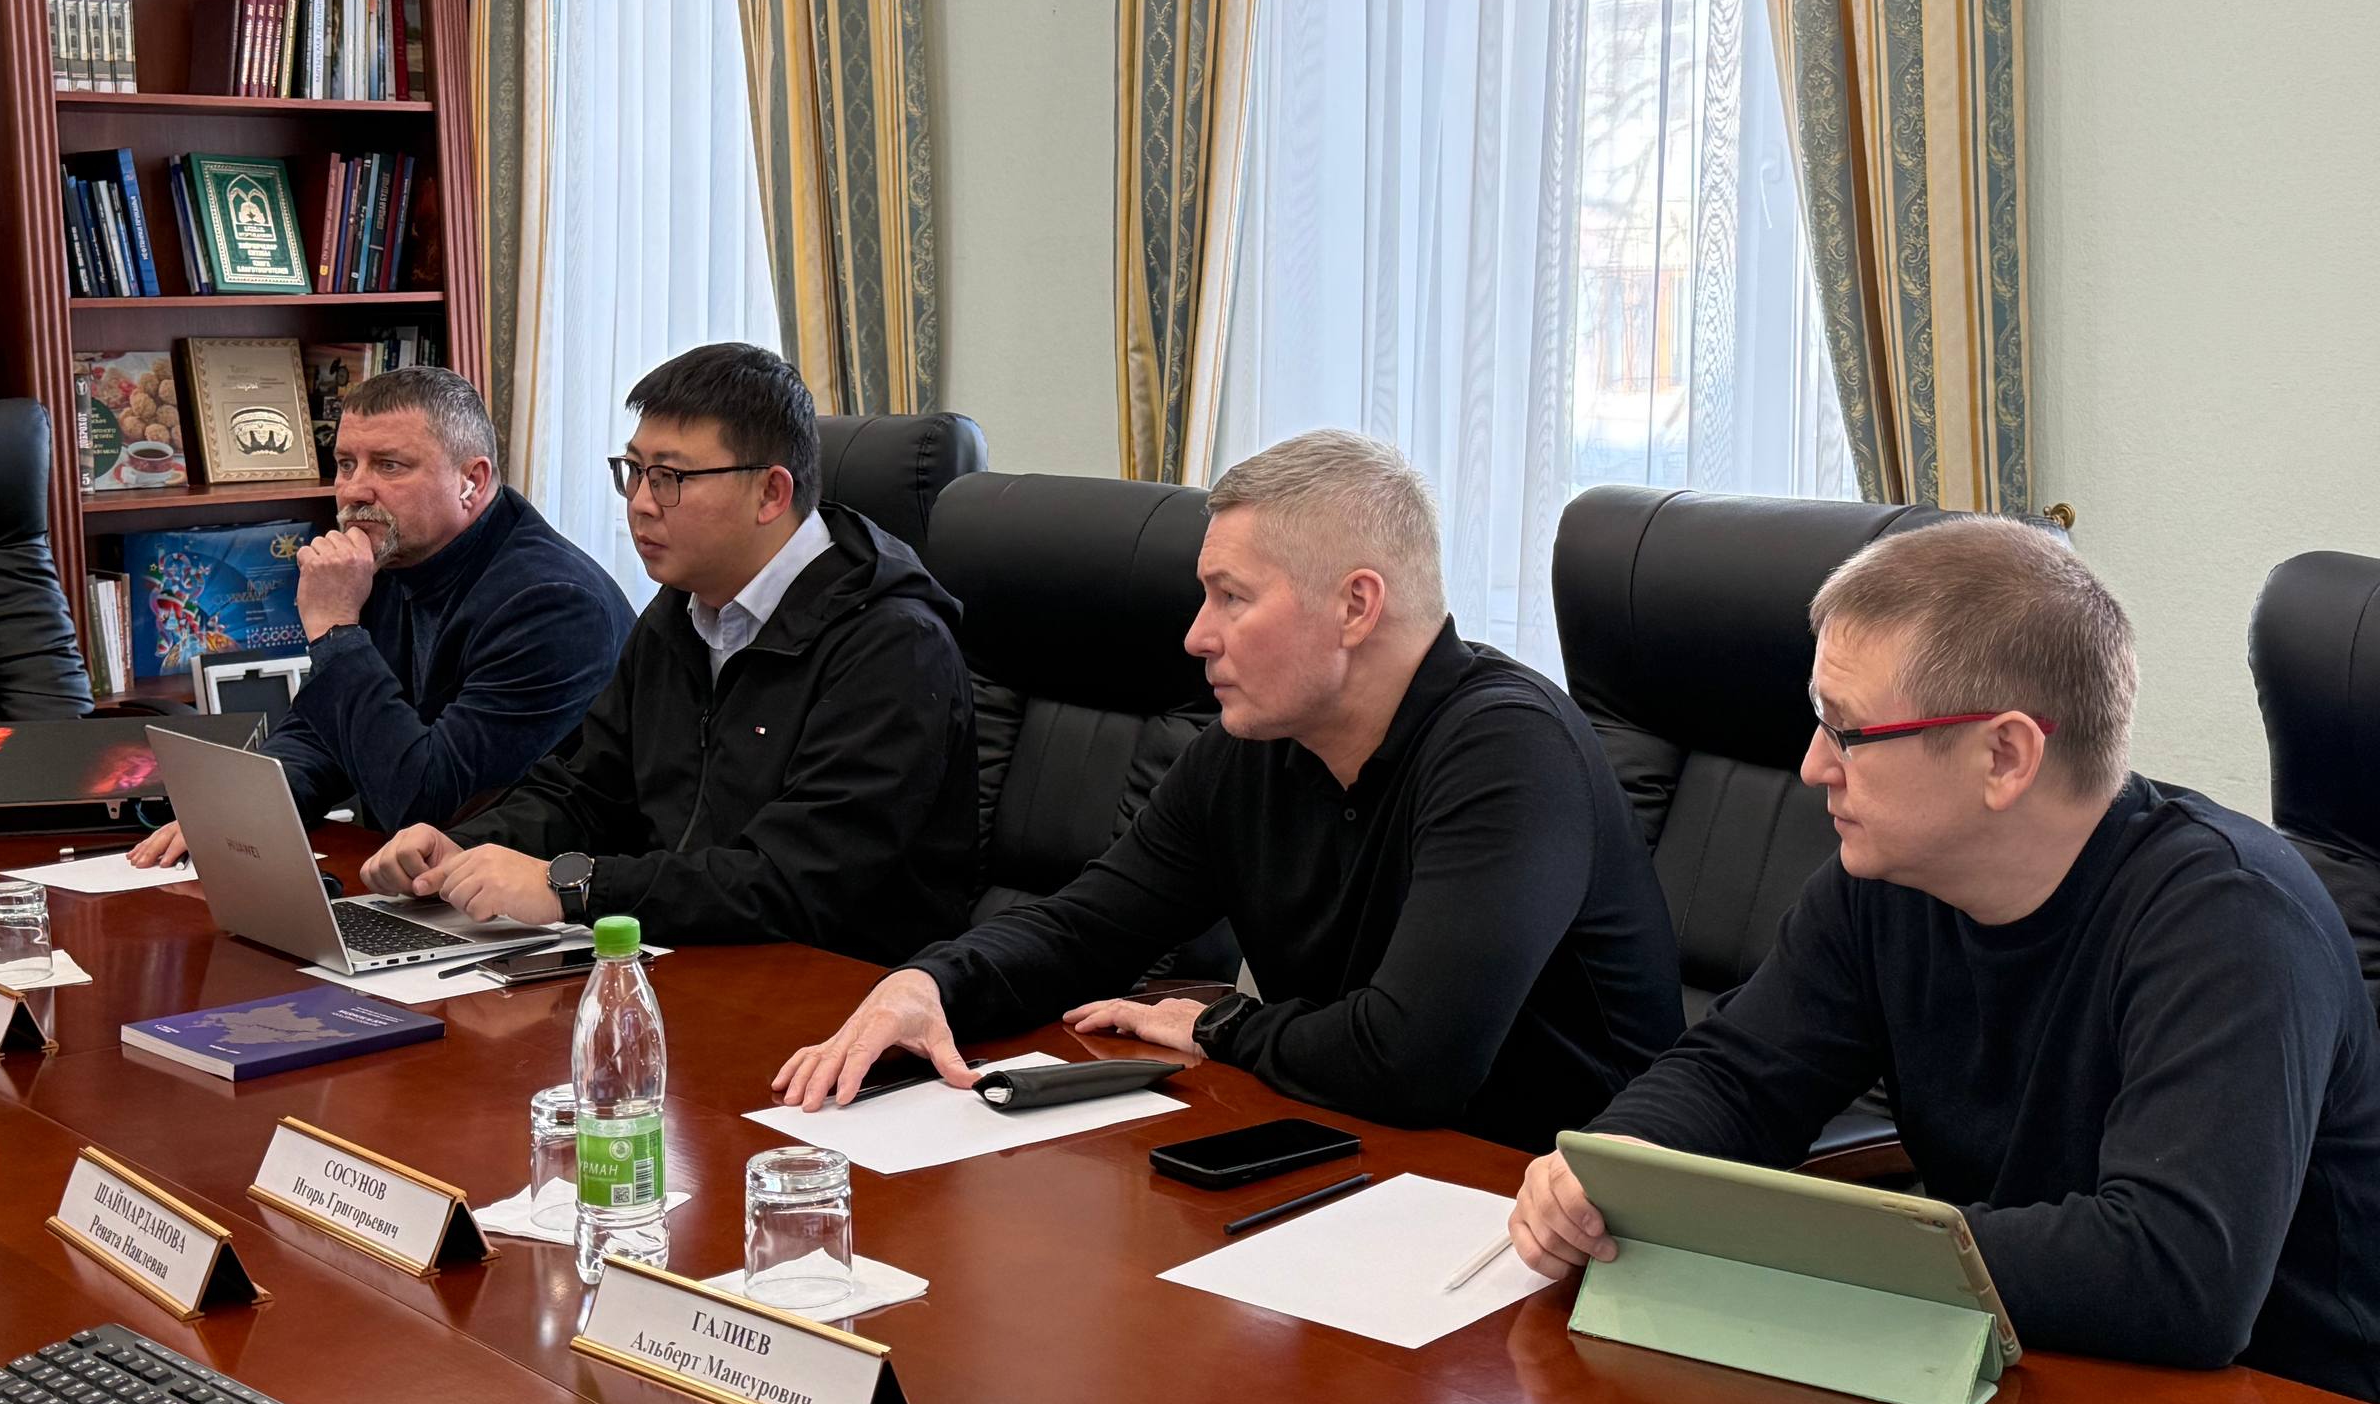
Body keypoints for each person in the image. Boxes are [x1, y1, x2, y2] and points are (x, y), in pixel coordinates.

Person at [1506, 517, 2380, 1404]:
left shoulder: (2234, 921)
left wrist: (1811, 1243)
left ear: (2004, 756)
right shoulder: (1890, 881)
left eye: (1847, 732)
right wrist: (1615, 1165)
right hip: (2004, 1368)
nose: (1812, 766)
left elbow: (2178, 1272)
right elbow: (1740, 1075)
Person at [773, 430, 1685, 1152]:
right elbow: (1086, 929)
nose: (1196, 636)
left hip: (1549, 1208)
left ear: (1356, 605)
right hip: (1355, 1156)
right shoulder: (1256, 747)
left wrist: (1223, 1026)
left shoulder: (1509, 751)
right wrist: (931, 982)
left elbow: (1413, 1062)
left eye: (1231, 597)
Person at [358, 343, 976, 962]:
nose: (641, 503)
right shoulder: (681, 610)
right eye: (634, 471)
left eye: (670, 478)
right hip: (683, 951)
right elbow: (586, 791)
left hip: (836, 984)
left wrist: (573, 888)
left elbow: (796, 881)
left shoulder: (893, 644)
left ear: (770, 493)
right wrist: (463, 848)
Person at [130, 367, 630, 866]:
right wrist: (239, 811)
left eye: (389, 466)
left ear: (471, 482)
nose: (355, 491)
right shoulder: (390, 557)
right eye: (346, 465)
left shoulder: (554, 605)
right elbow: (321, 734)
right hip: (425, 883)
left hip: (545, 893)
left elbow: (428, 806)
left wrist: (335, 629)